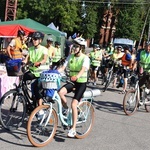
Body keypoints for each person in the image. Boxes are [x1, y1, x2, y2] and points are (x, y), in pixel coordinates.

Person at [58, 39, 90, 138]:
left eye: (76, 46)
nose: (74, 48)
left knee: (74, 103)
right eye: (74, 46)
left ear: (81, 48)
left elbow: (83, 69)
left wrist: (77, 76)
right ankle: (66, 109)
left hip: (81, 83)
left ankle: (73, 129)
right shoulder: (70, 56)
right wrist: (55, 72)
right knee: (60, 92)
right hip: (72, 82)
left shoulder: (85, 58)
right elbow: (63, 67)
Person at [23, 31, 49, 107]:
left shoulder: (44, 49)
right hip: (33, 72)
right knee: (23, 78)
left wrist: (39, 62)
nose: (34, 40)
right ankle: (28, 96)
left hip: (42, 74)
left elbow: (44, 59)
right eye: (33, 39)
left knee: (37, 90)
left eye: (36, 39)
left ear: (40, 40)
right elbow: (26, 59)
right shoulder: (30, 49)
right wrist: (23, 62)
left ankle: (40, 108)